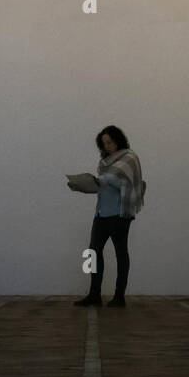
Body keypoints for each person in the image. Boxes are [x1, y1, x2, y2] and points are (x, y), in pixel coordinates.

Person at [73, 125, 145, 308]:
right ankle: (94, 294)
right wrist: (82, 186)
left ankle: (119, 296)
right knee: (93, 252)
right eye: (103, 144)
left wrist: (103, 180)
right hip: (101, 213)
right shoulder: (104, 162)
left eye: (109, 142)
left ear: (118, 140)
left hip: (120, 214)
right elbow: (102, 187)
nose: (107, 147)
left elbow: (126, 183)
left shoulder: (130, 157)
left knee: (121, 253)